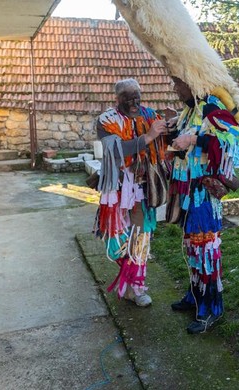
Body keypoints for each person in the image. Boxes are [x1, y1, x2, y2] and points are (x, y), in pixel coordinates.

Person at [167, 76, 239, 334]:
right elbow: (196, 135)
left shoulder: (211, 105)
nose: (175, 89)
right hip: (189, 192)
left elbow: (230, 141)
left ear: (191, 83)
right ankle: (195, 295)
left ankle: (211, 308)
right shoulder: (190, 110)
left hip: (203, 194)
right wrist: (175, 132)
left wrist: (191, 141)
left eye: (177, 84)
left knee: (205, 250)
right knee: (193, 248)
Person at [93, 78, 168, 307]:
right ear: (117, 99)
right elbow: (116, 150)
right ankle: (128, 282)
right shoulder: (106, 121)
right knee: (116, 243)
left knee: (141, 239)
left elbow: (165, 141)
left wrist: (171, 126)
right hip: (115, 190)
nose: (134, 102)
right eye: (128, 99)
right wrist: (148, 137)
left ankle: (137, 287)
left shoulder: (149, 116)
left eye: (137, 97)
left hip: (142, 190)